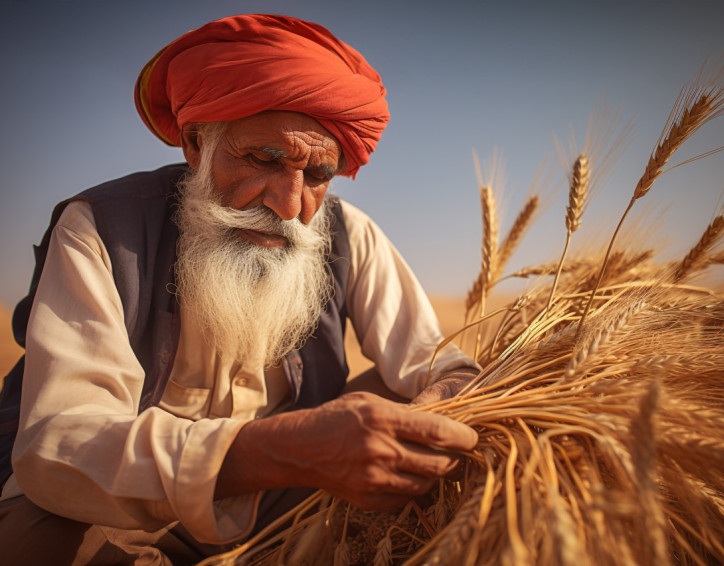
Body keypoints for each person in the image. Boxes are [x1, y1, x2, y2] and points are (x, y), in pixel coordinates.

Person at [0, 14, 478, 564]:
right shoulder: (102, 228)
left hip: (283, 500)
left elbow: (442, 365)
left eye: (318, 174)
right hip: (115, 514)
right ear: (196, 145)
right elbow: (60, 443)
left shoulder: (348, 235)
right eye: (263, 159)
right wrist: (278, 450)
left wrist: (432, 405)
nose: (291, 205)